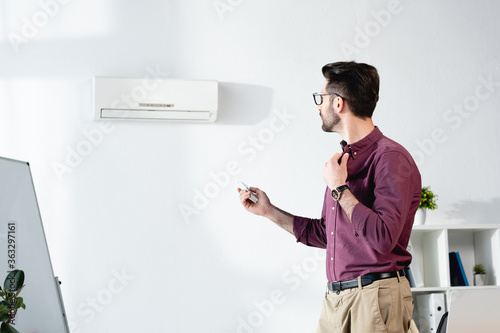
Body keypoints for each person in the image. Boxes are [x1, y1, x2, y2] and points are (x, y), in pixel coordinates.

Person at [238, 61, 421, 333]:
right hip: (337, 300)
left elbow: (383, 237)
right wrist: (269, 211)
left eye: (320, 98)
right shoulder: (344, 162)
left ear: (338, 103)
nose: (317, 106)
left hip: (373, 297)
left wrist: (340, 189)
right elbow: (328, 234)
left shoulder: (389, 158)